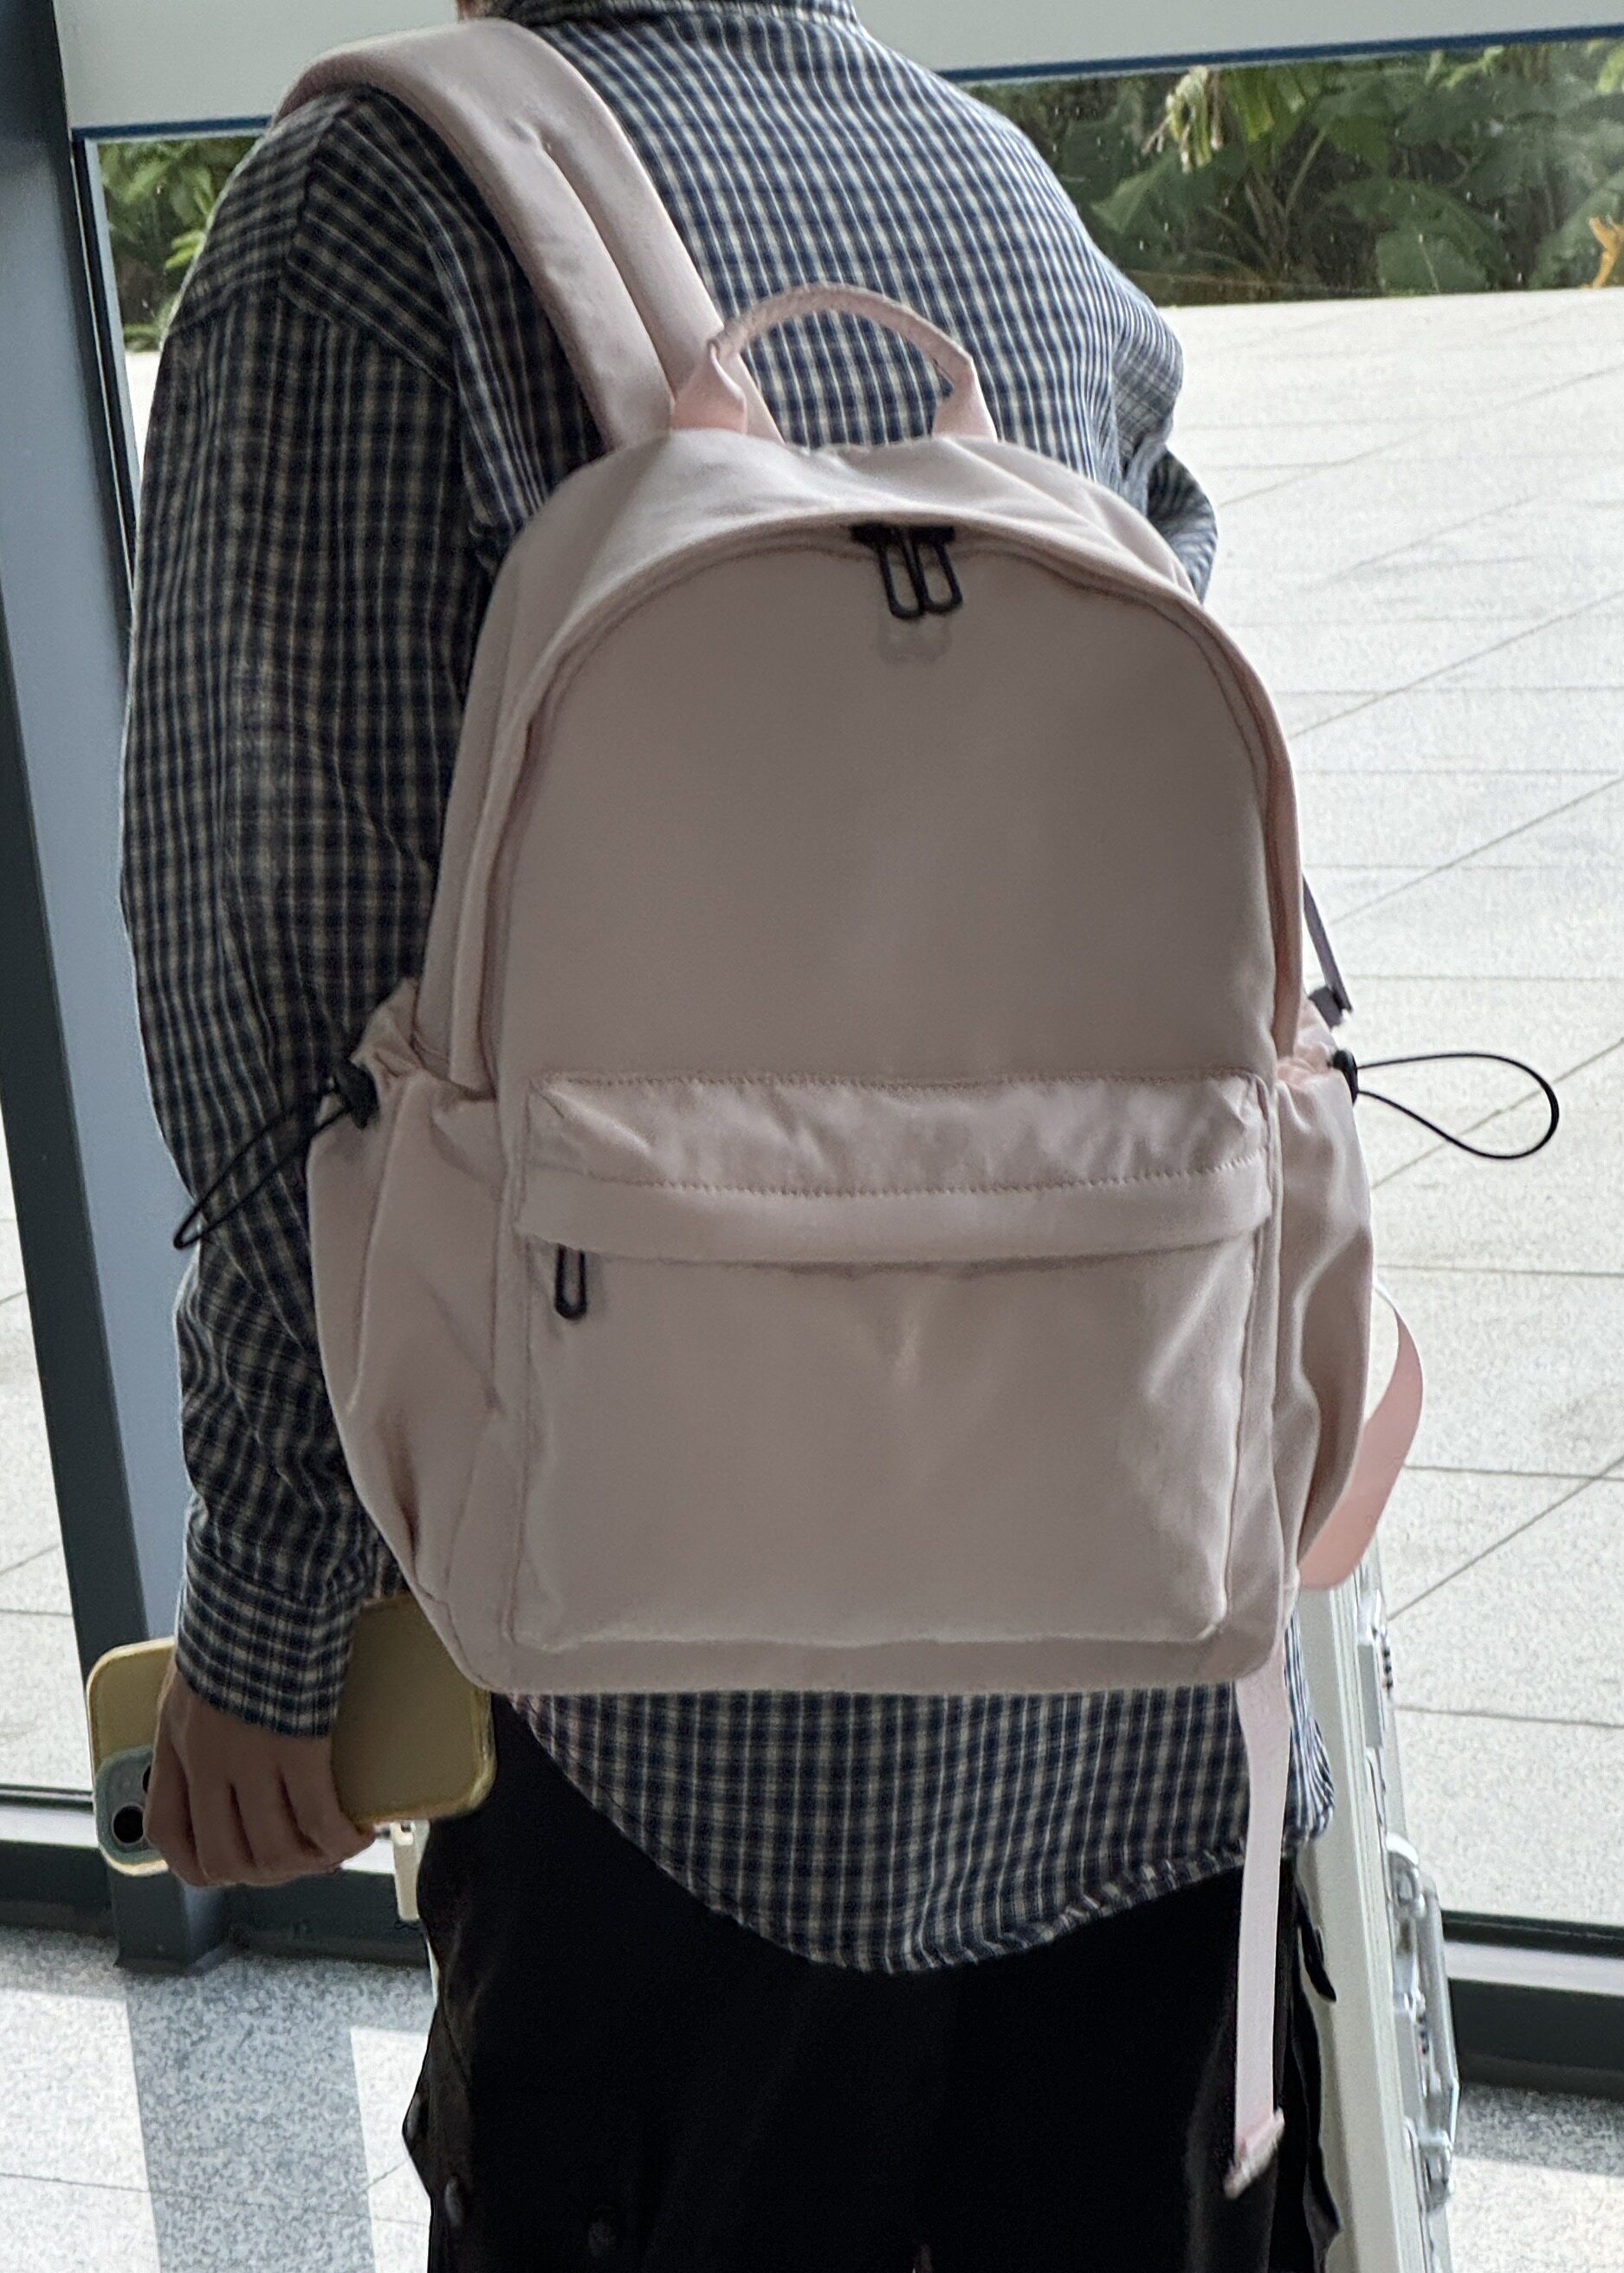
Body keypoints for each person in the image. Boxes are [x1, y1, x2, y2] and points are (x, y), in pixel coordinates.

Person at [122, 3, 1343, 2266]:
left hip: (668, 1733)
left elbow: (286, 1014)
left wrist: (270, 1632)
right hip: (1161, 1666)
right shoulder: (993, 186)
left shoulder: (361, 228)